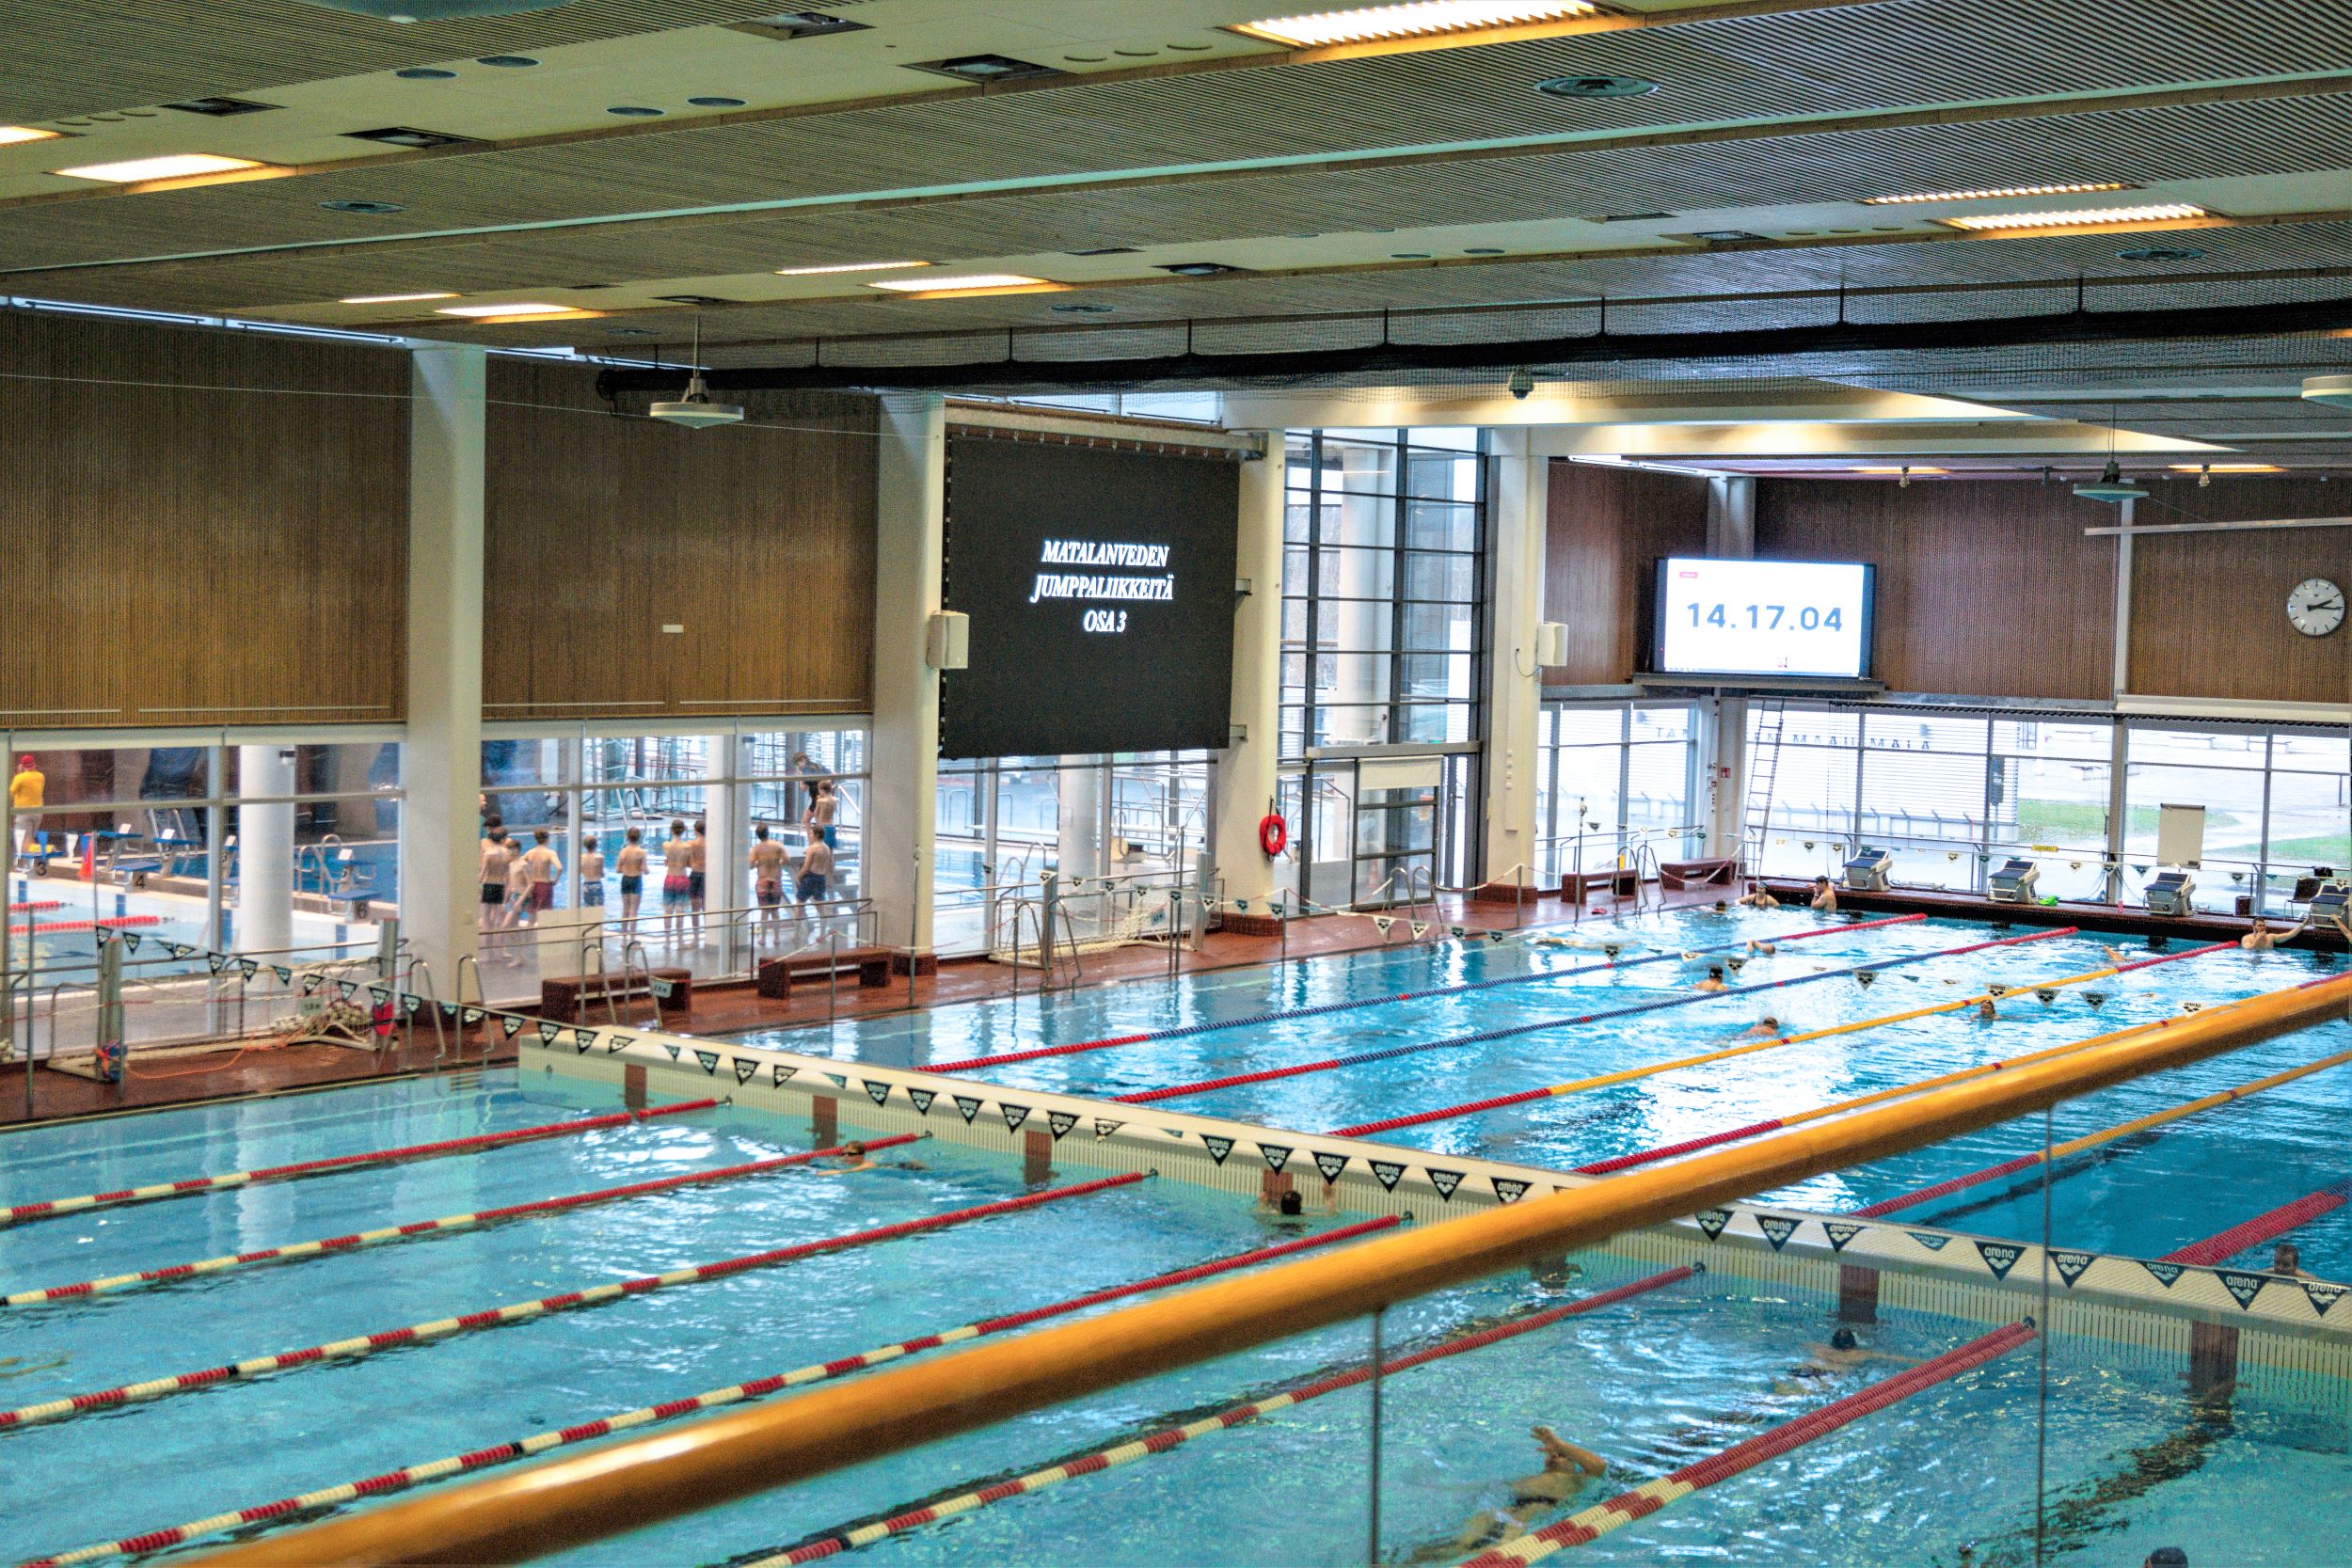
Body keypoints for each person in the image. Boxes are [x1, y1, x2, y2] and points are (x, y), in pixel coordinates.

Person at [1422, 1427, 1609, 1559]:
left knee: (1496, 1548)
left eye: (1561, 1456)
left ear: (1573, 1464)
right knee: (1457, 1544)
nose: (1553, 1457)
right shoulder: (1531, 1478)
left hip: (1535, 1509)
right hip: (1506, 1508)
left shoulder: (1576, 1479)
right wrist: (1440, 1489)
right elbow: (1491, 1487)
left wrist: (1560, 1444)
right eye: (1551, 1455)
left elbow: (1599, 1466)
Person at [1773, 1325, 1913, 1394]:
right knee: (1804, 1393)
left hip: (1803, 1369)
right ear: (1852, 1344)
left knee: (1785, 1390)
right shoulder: (1858, 1354)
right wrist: (1919, 1362)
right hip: (1827, 1375)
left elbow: (1788, 1341)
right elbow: (1897, 1358)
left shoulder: (1817, 1347)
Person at [750, 823, 789, 938]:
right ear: (768, 833)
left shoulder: (756, 849)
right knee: (775, 911)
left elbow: (750, 865)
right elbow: (787, 860)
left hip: (763, 881)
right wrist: (779, 862)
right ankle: (777, 938)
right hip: (775, 880)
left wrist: (759, 863)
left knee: (764, 911)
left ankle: (763, 938)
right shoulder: (778, 846)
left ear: (757, 835)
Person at [796, 826, 834, 932]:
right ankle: (822, 933)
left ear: (817, 835)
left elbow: (806, 867)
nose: (809, 835)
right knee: (821, 908)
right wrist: (828, 878)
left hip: (810, 878)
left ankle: (796, 933)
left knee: (800, 906)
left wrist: (798, 877)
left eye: (811, 833)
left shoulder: (812, 848)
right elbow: (828, 865)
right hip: (821, 878)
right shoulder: (826, 848)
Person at [660, 819, 692, 944]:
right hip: (682, 878)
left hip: (669, 878)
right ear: (683, 830)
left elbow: (667, 860)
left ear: (671, 830)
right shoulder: (687, 847)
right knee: (680, 911)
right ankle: (680, 941)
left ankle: (667, 941)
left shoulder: (666, 845)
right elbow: (689, 864)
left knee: (668, 911)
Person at [8, 753, 42, 871]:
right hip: (38, 812)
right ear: (34, 765)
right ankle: (31, 864)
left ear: (23, 766)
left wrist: (19, 773)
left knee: (23, 839)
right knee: (31, 838)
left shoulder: (20, 778)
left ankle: (25, 865)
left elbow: (11, 792)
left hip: (24, 812)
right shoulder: (40, 776)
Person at [478, 827, 514, 937]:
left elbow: (482, 874)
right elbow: (508, 876)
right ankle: (498, 943)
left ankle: (488, 942)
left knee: (486, 917)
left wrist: (475, 884)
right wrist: (509, 891)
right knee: (498, 918)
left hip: (489, 884)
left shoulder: (488, 854)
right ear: (503, 839)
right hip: (501, 885)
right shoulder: (508, 854)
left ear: (491, 840)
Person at [522, 827, 563, 916]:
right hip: (544, 885)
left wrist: (526, 878)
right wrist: (555, 880)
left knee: (532, 916)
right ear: (548, 839)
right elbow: (559, 868)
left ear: (536, 839)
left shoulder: (530, 853)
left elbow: (519, 864)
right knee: (545, 916)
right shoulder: (550, 853)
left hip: (533, 885)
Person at [616, 827, 647, 933]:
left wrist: (627, 868)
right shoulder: (641, 852)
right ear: (639, 838)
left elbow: (618, 870)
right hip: (636, 880)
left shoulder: (623, 852)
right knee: (634, 911)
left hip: (625, 880)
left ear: (627, 837)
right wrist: (641, 869)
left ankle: (624, 937)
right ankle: (632, 937)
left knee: (625, 909)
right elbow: (645, 870)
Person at [688, 819, 710, 945]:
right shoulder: (711, 843)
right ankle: (709, 937)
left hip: (695, 874)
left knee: (695, 909)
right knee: (706, 908)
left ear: (696, 830)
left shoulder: (691, 844)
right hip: (707, 875)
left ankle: (696, 939)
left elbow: (689, 862)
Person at [805, 779, 840, 849]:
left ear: (822, 789)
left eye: (819, 790)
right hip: (832, 826)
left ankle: (810, 850)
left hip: (823, 827)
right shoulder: (835, 800)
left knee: (820, 848)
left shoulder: (820, 801)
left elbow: (816, 813)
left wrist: (818, 824)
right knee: (830, 849)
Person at [2242, 915, 2310, 952]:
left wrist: (2304, 924)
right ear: (2254, 927)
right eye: (2259, 925)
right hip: (2253, 960)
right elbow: (2249, 949)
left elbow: (2289, 935)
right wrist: (2258, 939)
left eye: (2264, 925)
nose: (2262, 927)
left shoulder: (2271, 937)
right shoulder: (2247, 938)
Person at [577, 833, 606, 911]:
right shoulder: (600, 857)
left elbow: (580, 872)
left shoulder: (581, 858)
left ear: (585, 845)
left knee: (588, 911)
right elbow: (602, 874)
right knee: (598, 911)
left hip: (586, 885)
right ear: (596, 845)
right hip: (597, 885)